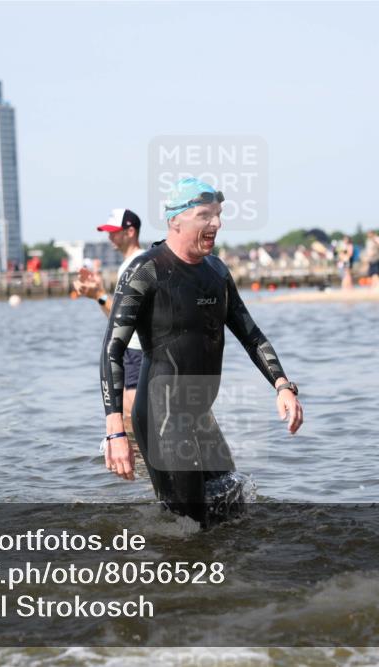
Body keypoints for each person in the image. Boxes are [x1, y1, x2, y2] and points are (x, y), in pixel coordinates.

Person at [99, 178, 303, 527]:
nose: (217, 224)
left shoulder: (216, 272)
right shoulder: (146, 270)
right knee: (188, 529)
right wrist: (116, 431)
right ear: (176, 220)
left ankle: (233, 581)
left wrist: (282, 385)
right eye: (205, 215)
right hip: (160, 417)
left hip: (200, 415)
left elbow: (250, 334)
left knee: (232, 510)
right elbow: (111, 352)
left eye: (219, 214)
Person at [75, 209, 145, 438]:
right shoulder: (132, 263)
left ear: (130, 231)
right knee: (130, 416)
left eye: (114, 232)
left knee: (132, 417)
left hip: (137, 349)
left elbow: (125, 318)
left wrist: (99, 294)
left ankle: (143, 465)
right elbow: (119, 317)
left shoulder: (135, 263)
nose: (109, 238)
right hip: (133, 348)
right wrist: (99, 294)